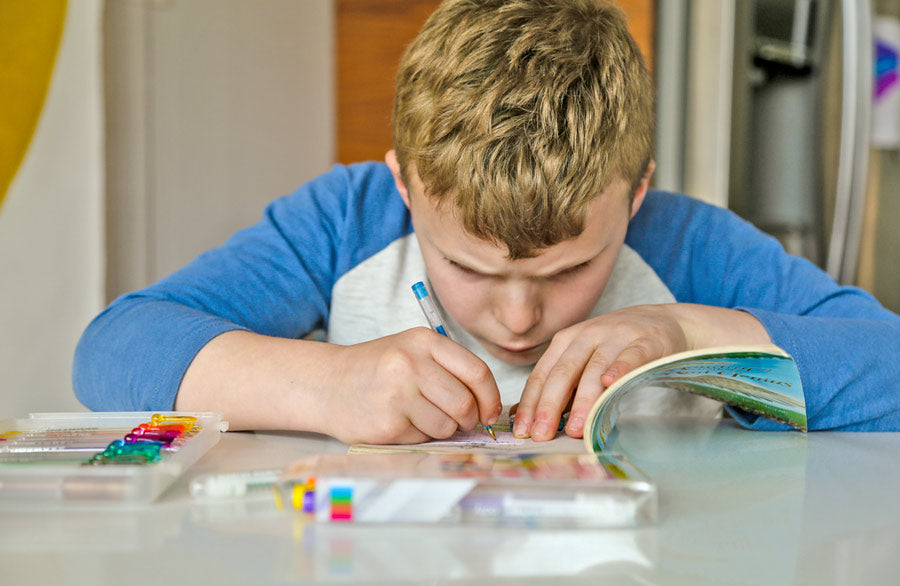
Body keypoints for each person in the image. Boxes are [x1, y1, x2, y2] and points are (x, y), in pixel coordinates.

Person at [73, 0, 900, 444]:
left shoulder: (690, 247)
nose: (516, 318)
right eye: (468, 268)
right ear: (405, 184)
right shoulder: (346, 219)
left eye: (568, 270)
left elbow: (885, 365)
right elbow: (113, 349)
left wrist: (690, 332)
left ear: (636, 192)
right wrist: (327, 385)